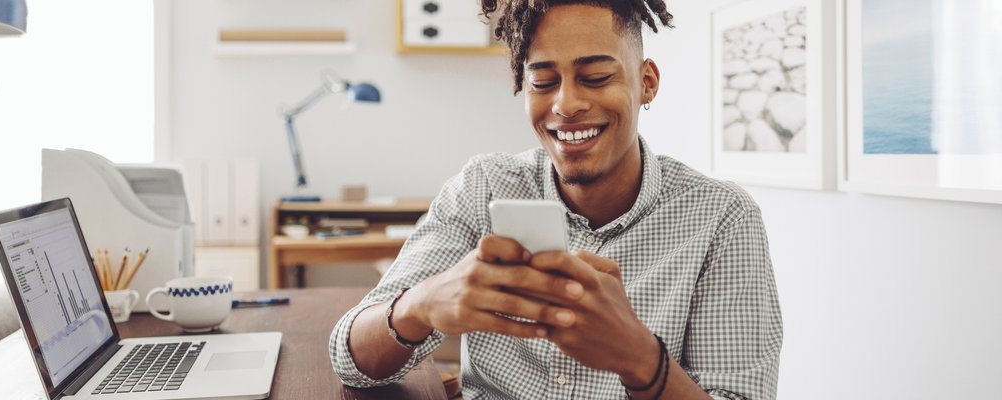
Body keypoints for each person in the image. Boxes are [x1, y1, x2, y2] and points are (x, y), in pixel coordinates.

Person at [328, 0, 783, 398]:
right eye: (543, 82)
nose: (566, 104)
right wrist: (420, 304)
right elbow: (349, 361)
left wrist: (641, 361)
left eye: (596, 76)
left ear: (646, 83)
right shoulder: (481, 188)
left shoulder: (722, 219)